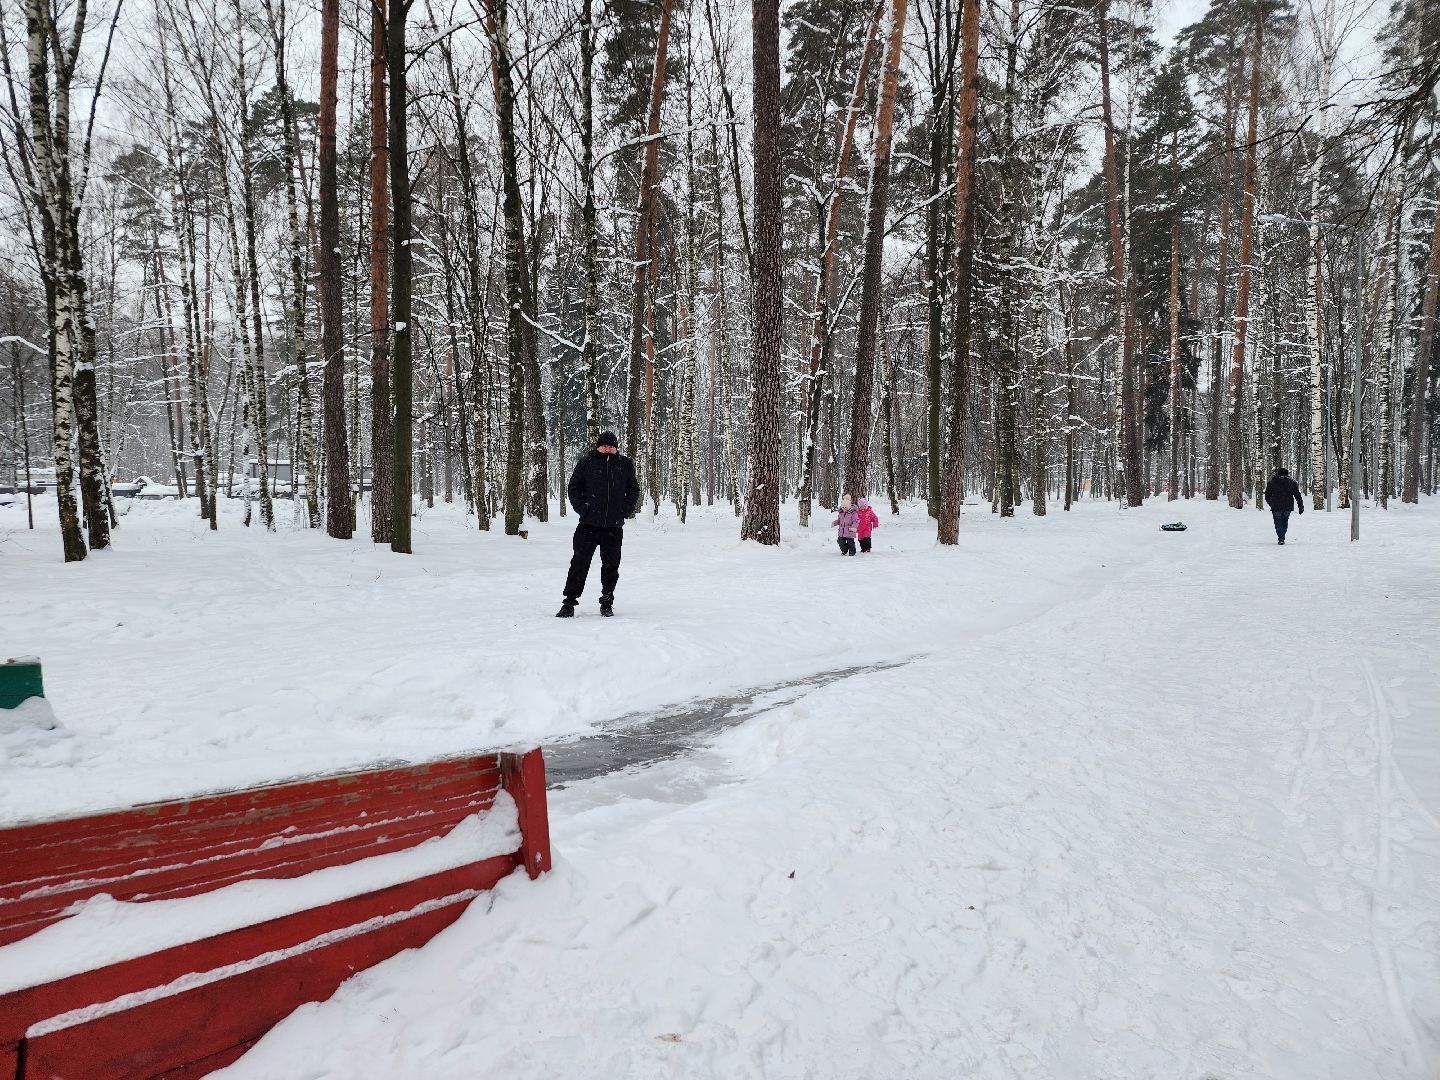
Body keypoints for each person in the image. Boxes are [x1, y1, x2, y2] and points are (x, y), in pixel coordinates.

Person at [558, 431, 641, 617]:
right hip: (588, 525)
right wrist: (584, 509)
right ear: (598, 446)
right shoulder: (586, 463)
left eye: (612, 447)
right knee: (579, 564)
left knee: (611, 566)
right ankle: (569, 603)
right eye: (605, 446)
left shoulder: (624, 464)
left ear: (616, 448)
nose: (608, 449)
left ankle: (607, 600)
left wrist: (625, 510)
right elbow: (574, 488)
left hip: (613, 526)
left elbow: (633, 489)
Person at [1263, 466, 1304, 545]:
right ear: (1287, 474)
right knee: (1285, 521)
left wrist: (1271, 504)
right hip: (1287, 506)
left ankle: (1281, 537)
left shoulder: (1271, 483)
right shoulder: (1292, 483)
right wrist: (1301, 506)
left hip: (1276, 506)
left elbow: (1267, 496)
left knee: (1278, 522)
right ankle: (1282, 537)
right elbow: (1297, 495)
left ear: (1278, 474)